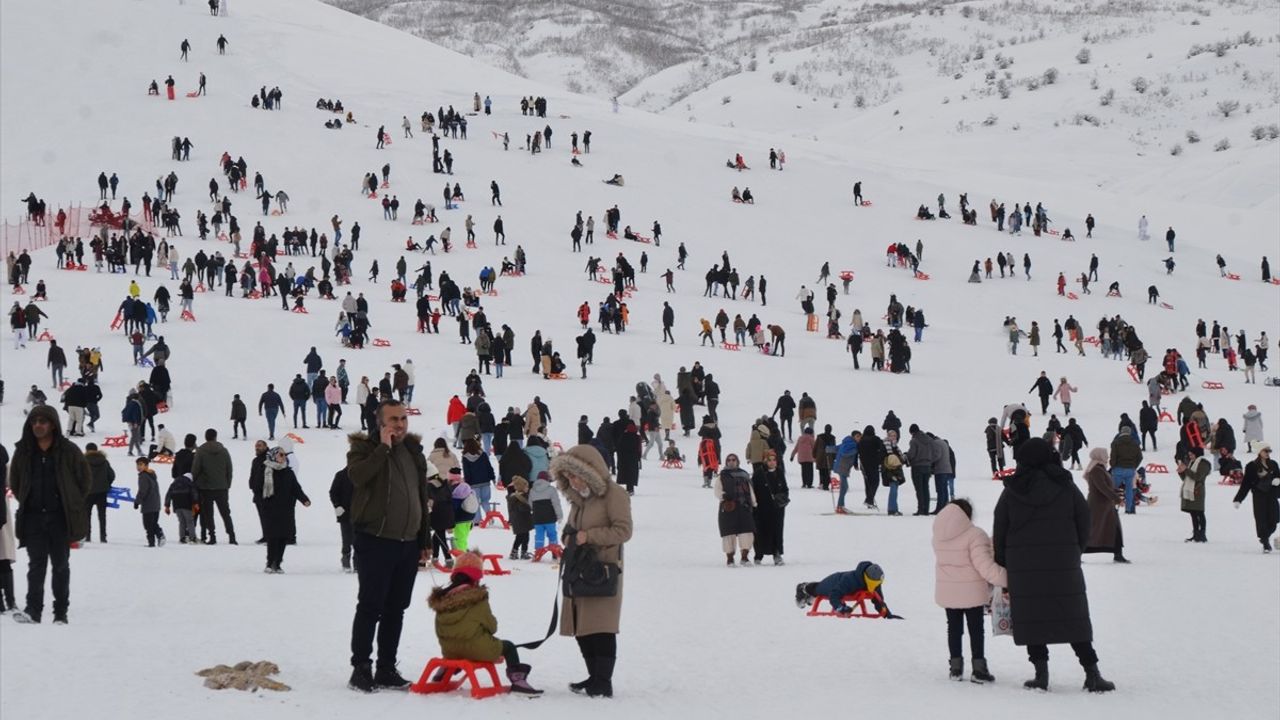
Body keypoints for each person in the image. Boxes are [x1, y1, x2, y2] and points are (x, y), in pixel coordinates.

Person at [993, 438, 1115, 692]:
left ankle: (1041, 675)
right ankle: (1092, 673)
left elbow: (1000, 528)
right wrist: (1073, 551)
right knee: (1073, 617)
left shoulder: (1012, 490)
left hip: (1023, 568)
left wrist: (1004, 561)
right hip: (1063, 565)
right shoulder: (1066, 486)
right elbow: (1084, 522)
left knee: (1032, 618)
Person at [346, 400, 436, 692]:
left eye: (403, 418)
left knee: (396, 608)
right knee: (371, 606)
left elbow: (420, 497)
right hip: (375, 540)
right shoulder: (363, 449)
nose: (400, 424)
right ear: (380, 423)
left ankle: (386, 667)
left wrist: (424, 539)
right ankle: (361, 667)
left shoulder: (413, 452)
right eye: (393, 419)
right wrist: (382, 448)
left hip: (407, 544)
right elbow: (358, 477)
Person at [549, 444, 633, 699]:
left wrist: (589, 537)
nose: (572, 482)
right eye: (568, 477)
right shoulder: (579, 500)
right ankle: (594, 676)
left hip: (603, 573)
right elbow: (571, 528)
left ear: (590, 472)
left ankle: (602, 681)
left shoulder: (614, 494)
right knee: (582, 627)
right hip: (579, 571)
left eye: (575, 475)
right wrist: (568, 536)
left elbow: (624, 531)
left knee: (601, 627)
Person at [8, 406, 91, 624]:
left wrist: (71, 501)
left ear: (52, 424)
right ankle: (33, 610)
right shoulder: (24, 451)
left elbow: (84, 480)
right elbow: (15, 481)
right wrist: (27, 499)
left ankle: (60, 612)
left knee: (61, 565)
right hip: (33, 518)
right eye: (34, 421)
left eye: (43, 421)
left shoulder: (68, 450)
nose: (38, 425)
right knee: (36, 565)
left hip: (60, 517)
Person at [427, 551, 543, 694]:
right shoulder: (476, 598)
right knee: (509, 646)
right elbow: (492, 627)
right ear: (476, 577)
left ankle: (443, 673)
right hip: (477, 649)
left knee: (460, 645)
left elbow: (439, 628)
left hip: (449, 650)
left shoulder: (442, 599)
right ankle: (519, 681)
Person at [933, 499, 1007, 682]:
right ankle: (979, 669)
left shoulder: (938, 536)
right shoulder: (975, 535)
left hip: (948, 591)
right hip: (971, 592)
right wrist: (1008, 578)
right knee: (975, 629)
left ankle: (955, 668)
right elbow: (985, 567)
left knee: (954, 629)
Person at [252, 446, 310, 573]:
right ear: (273, 456)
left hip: (286, 509)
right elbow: (257, 488)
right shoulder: (265, 470)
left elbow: (296, 488)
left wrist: (304, 499)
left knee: (283, 536)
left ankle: (277, 563)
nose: (284, 457)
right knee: (272, 536)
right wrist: (263, 503)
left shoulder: (288, 472)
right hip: (270, 509)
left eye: (284, 455)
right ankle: (270, 562)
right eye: (281, 455)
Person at [794, 562, 901, 617]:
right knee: (819, 589)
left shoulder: (876, 582)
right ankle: (803, 588)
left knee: (822, 587)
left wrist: (887, 614)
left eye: (879, 584)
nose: (877, 586)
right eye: (876, 584)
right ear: (868, 578)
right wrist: (841, 608)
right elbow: (834, 595)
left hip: (843, 584)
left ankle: (809, 593)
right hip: (835, 581)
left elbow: (879, 600)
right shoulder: (851, 580)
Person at [1082, 448, 1129, 563]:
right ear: (1100, 456)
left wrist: (1118, 492)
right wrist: (1117, 499)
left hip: (1105, 505)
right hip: (1098, 506)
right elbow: (1102, 488)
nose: (1107, 457)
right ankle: (1078, 553)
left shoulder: (1100, 469)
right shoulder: (1096, 470)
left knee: (1114, 529)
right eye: (1106, 455)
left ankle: (1118, 554)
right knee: (1094, 530)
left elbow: (1106, 487)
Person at [192, 428, 236, 544]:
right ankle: (232, 536)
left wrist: (194, 482)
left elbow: (196, 469)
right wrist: (227, 484)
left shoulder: (201, 451)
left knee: (208, 514)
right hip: (222, 487)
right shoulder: (224, 451)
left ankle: (212, 536)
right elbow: (229, 469)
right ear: (215, 437)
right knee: (226, 513)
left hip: (205, 487)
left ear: (206, 437)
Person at [1233, 443, 1280, 553]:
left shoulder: (1273, 464)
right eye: (1265, 451)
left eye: (1269, 451)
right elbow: (1246, 484)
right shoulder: (1251, 466)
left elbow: (1278, 476)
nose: (1268, 453)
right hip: (1259, 496)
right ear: (1259, 452)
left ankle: (1264, 538)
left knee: (1274, 520)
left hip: (1272, 495)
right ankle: (1265, 543)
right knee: (1261, 520)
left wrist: (1278, 480)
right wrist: (1239, 499)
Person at [715, 454, 755, 565]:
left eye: (733, 460)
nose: (731, 462)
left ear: (737, 461)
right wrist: (724, 497)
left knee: (746, 532)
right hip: (728, 507)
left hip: (744, 506)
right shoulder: (722, 475)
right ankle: (730, 558)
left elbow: (750, 490)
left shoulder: (744, 475)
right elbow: (717, 490)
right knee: (729, 534)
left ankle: (744, 557)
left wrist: (753, 502)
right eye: (729, 460)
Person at [751, 450, 789, 565]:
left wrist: (783, 499)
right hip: (762, 508)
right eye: (769, 460)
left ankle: (776, 553)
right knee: (760, 531)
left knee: (777, 530)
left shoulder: (779, 472)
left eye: (774, 460)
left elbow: (785, 488)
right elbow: (753, 490)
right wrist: (754, 505)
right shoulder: (759, 473)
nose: (772, 462)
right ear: (765, 461)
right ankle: (758, 555)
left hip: (777, 508)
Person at [1178, 446, 1210, 543]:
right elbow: (1187, 478)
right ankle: (1196, 534)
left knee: (1199, 513)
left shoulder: (1203, 463)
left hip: (1197, 491)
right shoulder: (1192, 463)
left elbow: (1197, 477)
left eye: (1191, 454)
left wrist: (1186, 470)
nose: (1190, 456)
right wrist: (1181, 472)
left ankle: (1202, 534)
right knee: (1193, 513)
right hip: (1191, 491)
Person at [133, 456, 165, 547]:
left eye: (141, 465)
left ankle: (154, 540)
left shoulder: (143, 476)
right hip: (156, 503)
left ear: (146, 465)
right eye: (137, 465)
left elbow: (143, 491)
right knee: (153, 523)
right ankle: (158, 536)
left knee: (148, 524)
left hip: (149, 504)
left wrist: (137, 502)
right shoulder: (151, 475)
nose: (138, 467)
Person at [529, 470, 562, 555]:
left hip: (537, 518)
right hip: (549, 518)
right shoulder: (551, 490)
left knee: (539, 535)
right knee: (552, 534)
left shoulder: (532, 490)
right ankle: (555, 552)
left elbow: (530, 504)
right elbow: (556, 504)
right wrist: (559, 515)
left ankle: (538, 552)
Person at [329, 468, 355, 571]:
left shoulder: (363, 474)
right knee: (346, 539)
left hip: (360, 513)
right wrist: (337, 505)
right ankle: (346, 558)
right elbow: (333, 492)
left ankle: (357, 562)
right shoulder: (341, 475)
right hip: (345, 513)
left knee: (359, 540)